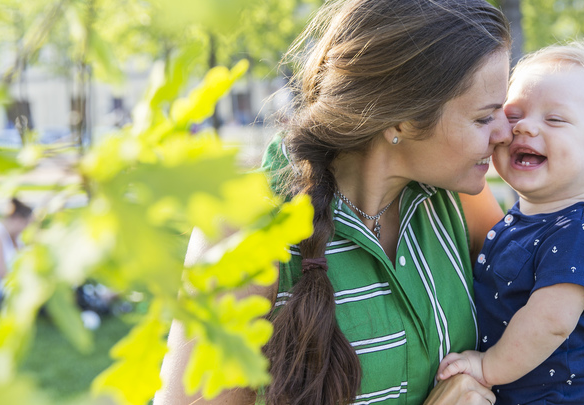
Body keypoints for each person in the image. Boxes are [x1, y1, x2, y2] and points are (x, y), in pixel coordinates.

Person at [155, 0, 513, 404]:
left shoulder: (457, 202)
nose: (506, 133)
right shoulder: (245, 229)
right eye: (485, 118)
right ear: (401, 120)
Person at [437, 39, 584, 404]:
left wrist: (486, 368)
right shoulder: (524, 217)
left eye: (555, 119)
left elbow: (549, 322)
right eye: (513, 115)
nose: (523, 128)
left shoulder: (578, 232)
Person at [0, 197, 33, 308]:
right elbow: (2, 272)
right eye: (25, 223)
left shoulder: (16, 237)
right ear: (17, 219)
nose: (26, 228)